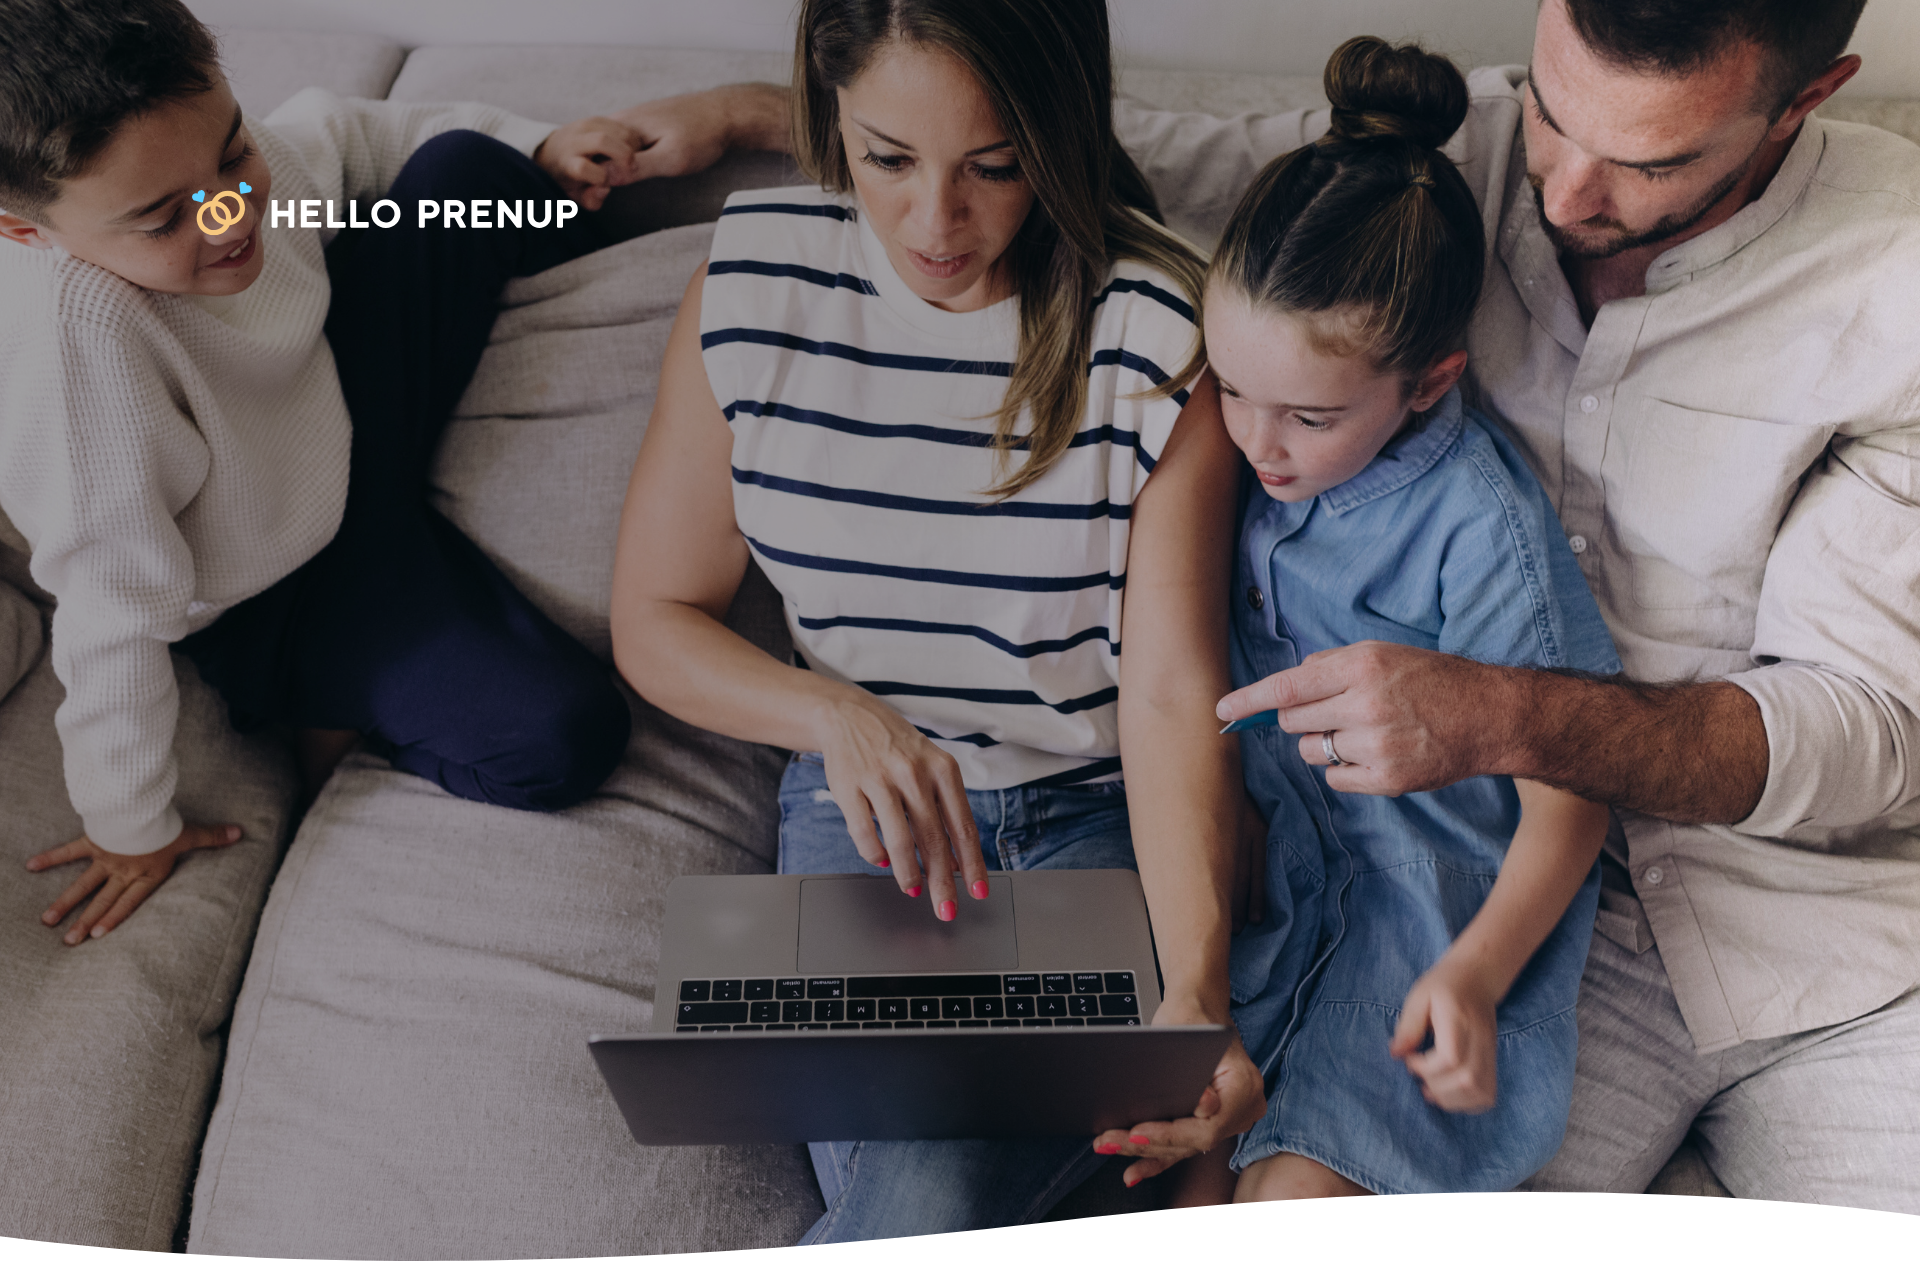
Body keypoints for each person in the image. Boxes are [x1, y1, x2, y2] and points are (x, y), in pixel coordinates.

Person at [628, 0, 1920, 1212]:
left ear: (1810, 98)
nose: (1564, 194)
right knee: (1013, 1190)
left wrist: (1505, 717)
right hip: (1392, 896)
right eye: (1555, 115)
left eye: (1650, 164)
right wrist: (775, 120)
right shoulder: (1435, 152)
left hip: (1784, 936)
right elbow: (1065, 148)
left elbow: (1868, 730)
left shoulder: (1891, 283)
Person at [608, 0, 1263, 1241]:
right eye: (887, 159)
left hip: (1096, 822)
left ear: (1057, 136)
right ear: (829, 114)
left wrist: (1195, 988)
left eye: (995, 167)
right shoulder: (755, 281)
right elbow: (654, 616)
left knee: (932, 1195)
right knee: (935, 1192)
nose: (934, 225)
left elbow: (1173, 693)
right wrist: (834, 715)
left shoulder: (1162, 327)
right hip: (868, 822)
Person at [0, 0, 670, 945]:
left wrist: (543, 145)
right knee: (560, 741)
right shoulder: (78, 355)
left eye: (234, 158)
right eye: (163, 219)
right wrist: (130, 827)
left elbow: (352, 137)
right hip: (269, 594)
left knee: (475, 171)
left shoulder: (210, 174)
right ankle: (322, 712)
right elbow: (109, 618)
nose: (230, 216)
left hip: (335, 424)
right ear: (27, 234)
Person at [1169, 37, 1618, 1201]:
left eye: (1310, 416)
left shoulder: (1480, 526)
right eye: (1230, 387)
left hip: (1428, 918)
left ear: (1426, 383)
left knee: (1292, 1208)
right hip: (1275, 894)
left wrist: (1473, 977)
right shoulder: (1247, 446)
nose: (1257, 444)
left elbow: (1573, 798)